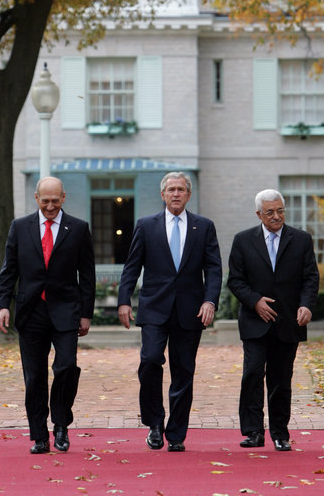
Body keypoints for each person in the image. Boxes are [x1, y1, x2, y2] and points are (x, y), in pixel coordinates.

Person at [117, 171, 222, 452]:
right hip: (154, 307)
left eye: (181, 189)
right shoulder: (146, 225)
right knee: (150, 361)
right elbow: (132, 266)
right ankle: (154, 423)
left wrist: (210, 301)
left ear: (188, 195)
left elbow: (213, 268)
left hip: (190, 310)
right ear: (163, 194)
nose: (176, 194)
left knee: (183, 372)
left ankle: (176, 433)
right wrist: (124, 300)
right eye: (171, 189)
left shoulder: (204, 226)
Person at [0, 176, 95, 455]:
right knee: (34, 376)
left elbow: (87, 275)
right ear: (37, 199)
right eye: (45, 200)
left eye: (55, 200)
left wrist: (86, 314)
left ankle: (61, 423)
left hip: (66, 311)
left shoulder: (78, 229)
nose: (50, 206)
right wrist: (2, 304)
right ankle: (39, 435)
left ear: (63, 198)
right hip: (31, 313)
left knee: (66, 367)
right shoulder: (20, 227)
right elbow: (8, 271)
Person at [227, 189, 319, 452]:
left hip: (288, 322)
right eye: (270, 212)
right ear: (259, 214)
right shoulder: (243, 240)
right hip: (255, 321)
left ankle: (280, 433)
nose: (277, 216)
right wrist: (255, 301)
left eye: (280, 210)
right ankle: (253, 431)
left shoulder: (301, 240)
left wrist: (306, 305)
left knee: (281, 379)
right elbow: (235, 280)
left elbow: (310, 278)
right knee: (252, 374)